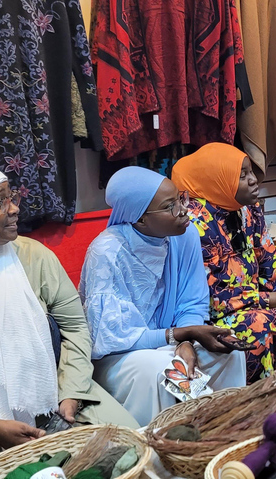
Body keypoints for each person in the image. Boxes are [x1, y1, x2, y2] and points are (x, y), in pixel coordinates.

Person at [0, 162, 137, 479]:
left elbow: (75, 328)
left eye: (12, 196)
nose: (14, 209)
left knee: (131, 448)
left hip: (48, 385)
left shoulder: (33, 256)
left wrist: (71, 392)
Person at [79, 167, 246, 426]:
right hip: (120, 356)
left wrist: (186, 343)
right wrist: (180, 336)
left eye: (181, 199)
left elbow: (192, 301)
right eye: (170, 206)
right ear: (140, 219)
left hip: (170, 341)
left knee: (230, 352)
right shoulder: (107, 253)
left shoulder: (185, 234)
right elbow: (114, 337)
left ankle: (225, 431)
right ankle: (160, 449)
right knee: (162, 370)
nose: (183, 210)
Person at [172, 143, 276, 383]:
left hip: (256, 299)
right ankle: (268, 401)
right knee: (260, 325)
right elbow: (211, 298)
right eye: (242, 175)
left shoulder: (247, 209)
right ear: (219, 180)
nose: (253, 180)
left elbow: (269, 255)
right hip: (214, 316)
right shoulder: (194, 226)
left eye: (251, 172)